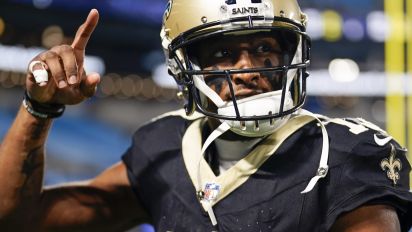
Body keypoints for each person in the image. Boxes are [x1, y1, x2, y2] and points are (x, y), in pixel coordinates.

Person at [0, 0, 411, 231]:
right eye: (223, 53)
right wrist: (39, 108)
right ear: (186, 67)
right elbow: (19, 221)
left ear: (292, 54)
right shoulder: (163, 148)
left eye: (265, 48)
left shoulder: (343, 152)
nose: (249, 68)